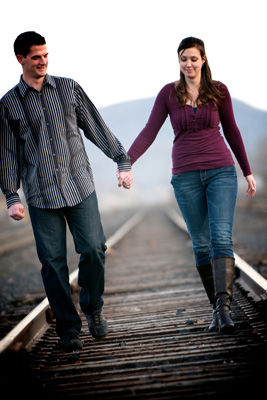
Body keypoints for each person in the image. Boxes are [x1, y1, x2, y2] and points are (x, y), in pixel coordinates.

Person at [0, 31, 133, 351]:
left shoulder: (69, 88)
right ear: (21, 59)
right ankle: (69, 328)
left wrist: (122, 160)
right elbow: (6, 153)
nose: (43, 61)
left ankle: (93, 308)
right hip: (41, 194)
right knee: (53, 263)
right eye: (35, 56)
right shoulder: (8, 104)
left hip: (79, 186)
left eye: (46, 54)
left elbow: (96, 127)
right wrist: (12, 196)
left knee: (93, 249)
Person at [127, 36, 256, 333]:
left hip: (221, 171)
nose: (188, 64)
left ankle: (223, 311)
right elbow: (150, 130)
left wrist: (246, 171)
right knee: (200, 244)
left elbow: (233, 131)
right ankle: (217, 307)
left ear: (204, 59)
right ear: (179, 61)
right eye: (183, 59)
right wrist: (127, 162)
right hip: (185, 176)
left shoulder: (219, 91)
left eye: (193, 58)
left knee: (221, 237)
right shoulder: (168, 94)